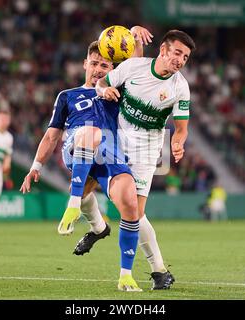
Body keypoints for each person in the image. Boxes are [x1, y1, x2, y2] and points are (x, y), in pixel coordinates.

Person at [20, 31, 151, 291]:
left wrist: (135, 37)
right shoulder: (67, 96)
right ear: (85, 63)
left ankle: (125, 275)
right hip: (76, 146)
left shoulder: (118, 90)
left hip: (110, 154)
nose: (98, 70)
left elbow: (136, 67)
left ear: (113, 69)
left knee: (130, 205)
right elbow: (51, 135)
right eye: (94, 63)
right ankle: (73, 205)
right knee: (89, 132)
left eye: (105, 65)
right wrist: (36, 166)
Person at [95, 29, 196, 290]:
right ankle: (95, 226)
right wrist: (105, 91)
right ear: (163, 50)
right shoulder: (134, 67)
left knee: (135, 213)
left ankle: (159, 271)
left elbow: (182, 128)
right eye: (177, 53)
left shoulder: (180, 87)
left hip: (148, 149)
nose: (180, 60)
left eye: (185, 57)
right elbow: (101, 83)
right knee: (118, 204)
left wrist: (177, 142)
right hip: (116, 140)